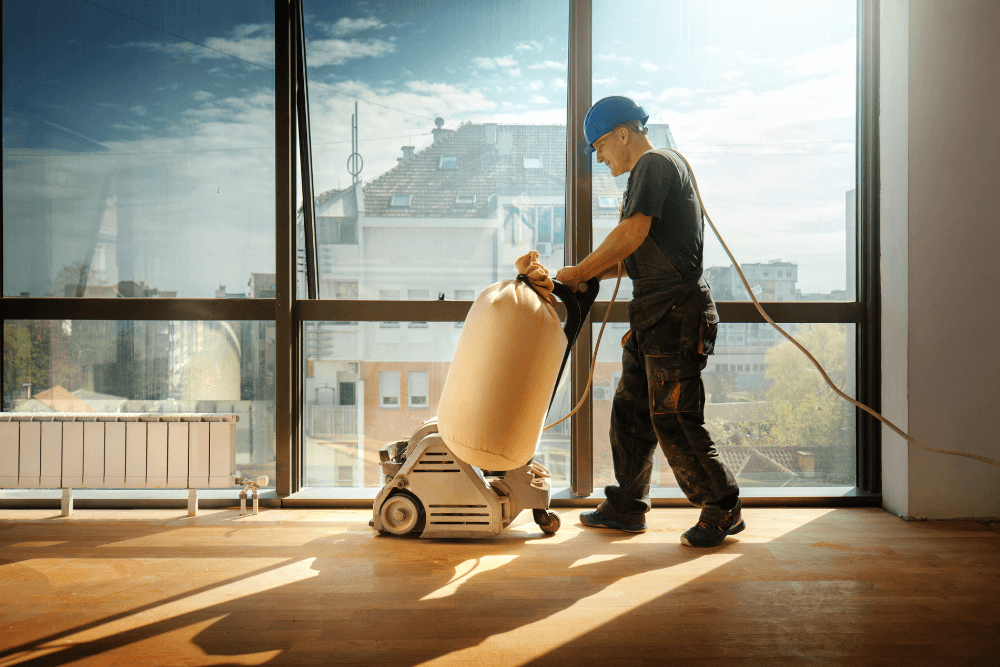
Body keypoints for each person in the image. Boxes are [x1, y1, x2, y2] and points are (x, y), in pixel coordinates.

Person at [555, 96, 743, 547]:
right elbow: (636, 256)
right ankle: (627, 507)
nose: (599, 158)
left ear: (623, 133)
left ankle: (722, 508)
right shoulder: (657, 169)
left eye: (599, 147)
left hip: (676, 314)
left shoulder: (654, 165)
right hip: (656, 314)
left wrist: (579, 272)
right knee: (632, 413)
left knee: (675, 415)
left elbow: (631, 234)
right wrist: (585, 274)